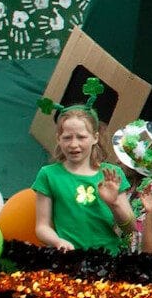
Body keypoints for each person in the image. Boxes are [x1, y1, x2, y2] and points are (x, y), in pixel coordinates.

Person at [33, 83, 134, 252]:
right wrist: (58, 241)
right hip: (69, 260)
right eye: (67, 138)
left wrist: (114, 203)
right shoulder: (49, 175)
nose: (74, 144)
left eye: (81, 137)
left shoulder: (112, 174)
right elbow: (42, 226)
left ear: (95, 137)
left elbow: (130, 228)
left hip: (107, 260)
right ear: (58, 138)